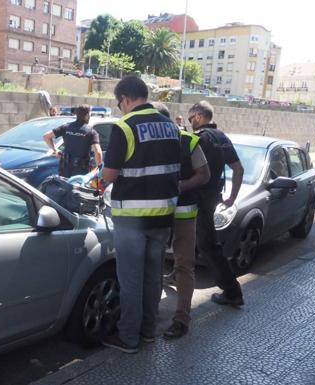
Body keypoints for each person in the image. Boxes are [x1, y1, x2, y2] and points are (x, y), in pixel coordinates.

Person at [101, 76, 181, 353]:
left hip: (132, 220)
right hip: (163, 217)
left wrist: (99, 179)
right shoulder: (172, 126)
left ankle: (128, 338)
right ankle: (148, 331)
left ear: (125, 99)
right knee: (152, 277)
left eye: (118, 103)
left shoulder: (124, 127)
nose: (120, 108)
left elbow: (109, 175)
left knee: (131, 279)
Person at [152, 103, 211, 339]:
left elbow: (204, 174)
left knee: (184, 265)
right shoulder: (150, 142)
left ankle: (182, 318)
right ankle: (150, 313)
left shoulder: (189, 141)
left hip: (183, 214)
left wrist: (181, 186)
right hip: (155, 213)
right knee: (154, 262)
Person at [188, 101, 245, 306]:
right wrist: (232, 197)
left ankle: (232, 291)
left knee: (207, 244)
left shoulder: (199, 138)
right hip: (212, 197)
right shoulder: (222, 137)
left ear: (198, 116)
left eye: (190, 118)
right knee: (198, 241)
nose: (190, 122)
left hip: (198, 198)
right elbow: (238, 169)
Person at [43, 105, 102, 178]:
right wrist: (99, 168)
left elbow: (46, 136)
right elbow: (98, 152)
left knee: (64, 187)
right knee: (76, 189)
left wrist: (55, 151)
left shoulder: (66, 127)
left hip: (64, 169)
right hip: (81, 171)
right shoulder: (91, 132)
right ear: (87, 115)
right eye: (90, 114)